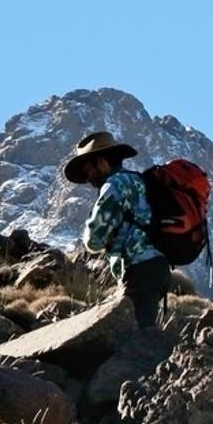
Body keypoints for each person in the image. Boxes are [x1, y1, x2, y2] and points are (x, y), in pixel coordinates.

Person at [64, 132, 170, 328]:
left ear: (101, 162)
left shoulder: (114, 185)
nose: (87, 178)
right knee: (144, 329)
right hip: (158, 266)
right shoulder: (139, 181)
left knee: (134, 336)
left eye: (88, 170)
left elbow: (94, 240)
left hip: (139, 269)